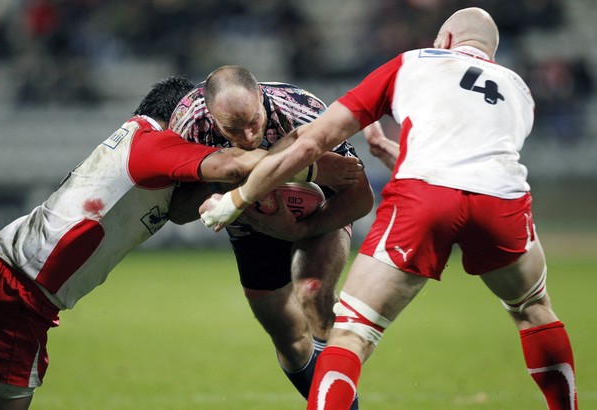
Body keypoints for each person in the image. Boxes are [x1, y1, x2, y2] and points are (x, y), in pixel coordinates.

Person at [199, 8, 577, 410]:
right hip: (503, 202)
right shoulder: (519, 90)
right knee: (534, 310)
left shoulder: (412, 62)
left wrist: (236, 199)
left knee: (351, 335)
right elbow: (471, 162)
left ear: (446, 40)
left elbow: (309, 143)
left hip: (423, 199)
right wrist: (401, 156)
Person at [0, 75, 273, 410]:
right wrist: (301, 155)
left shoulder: (138, 141)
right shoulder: (154, 142)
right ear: (184, 114)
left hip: (9, 276)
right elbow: (234, 165)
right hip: (18, 292)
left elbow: (178, 212)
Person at [167, 66, 373, 407]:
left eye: (253, 121)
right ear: (212, 117)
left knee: (313, 292)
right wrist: (226, 180)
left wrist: (300, 229)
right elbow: (176, 210)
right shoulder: (188, 125)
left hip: (318, 211)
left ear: (261, 96)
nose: (248, 136)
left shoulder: (303, 112)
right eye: (233, 130)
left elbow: (361, 198)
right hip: (248, 224)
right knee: (290, 340)